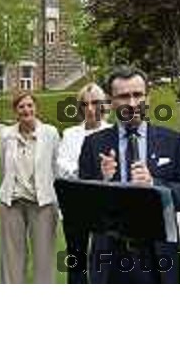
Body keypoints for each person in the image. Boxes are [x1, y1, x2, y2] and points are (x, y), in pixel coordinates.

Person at [78, 66, 180, 284]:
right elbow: (83, 210)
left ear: (148, 98)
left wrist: (155, 185)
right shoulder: (93, 144)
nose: (132, 103)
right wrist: (103, 182)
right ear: (111, 101)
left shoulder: (174, 142)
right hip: (109, 255)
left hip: (158, 254)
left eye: (138, 95)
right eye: (124, 96)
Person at [0, 90, 60, 284]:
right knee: (12, 256)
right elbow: (4, 166)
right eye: (21, 106)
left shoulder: (50, 133)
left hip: (42, 203)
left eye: (29, 105)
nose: (26, 110)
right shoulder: (6, 134)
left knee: (44, 256)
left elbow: (56, 166)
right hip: (12, 202)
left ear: (36, 107)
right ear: (16, 111)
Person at [57, 82, 111, 284]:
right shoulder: (70, 134)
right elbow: (62, 166)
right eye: (84, 104)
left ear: (103, 105)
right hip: (75, 207)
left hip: (104, 208)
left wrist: (84, 171)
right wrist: (88, 170)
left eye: (95, 103)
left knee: (103, 260)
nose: (90, 109)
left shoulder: (112, 132)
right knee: (75, 260)